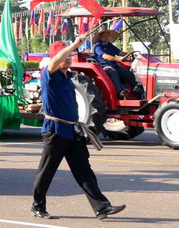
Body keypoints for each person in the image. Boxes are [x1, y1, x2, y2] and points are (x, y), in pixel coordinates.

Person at [32, 34, 126, 221]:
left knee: (84, 171)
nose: (68, 57)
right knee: (47, 171)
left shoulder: (69, 77)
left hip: (72, 131)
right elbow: (56, 60)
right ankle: (38, 206)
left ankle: (101, 207)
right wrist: (74, 44)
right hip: (55, 132)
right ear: (55, 58)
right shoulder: (48, 76)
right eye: (63, 55)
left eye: (70, 55)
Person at [93, 29, 136, 97]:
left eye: (107, 36)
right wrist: (118, 58)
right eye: (104, 36)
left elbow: (120, 52)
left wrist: (130, 54)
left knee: (128, 73)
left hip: (114, 65)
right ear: (100, 37)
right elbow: (105, 56)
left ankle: (135, 89)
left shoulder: (110, 45)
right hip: (104, 66)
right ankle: (120, 92)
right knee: (113, 72)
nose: (106, 37)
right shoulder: (98, 46)